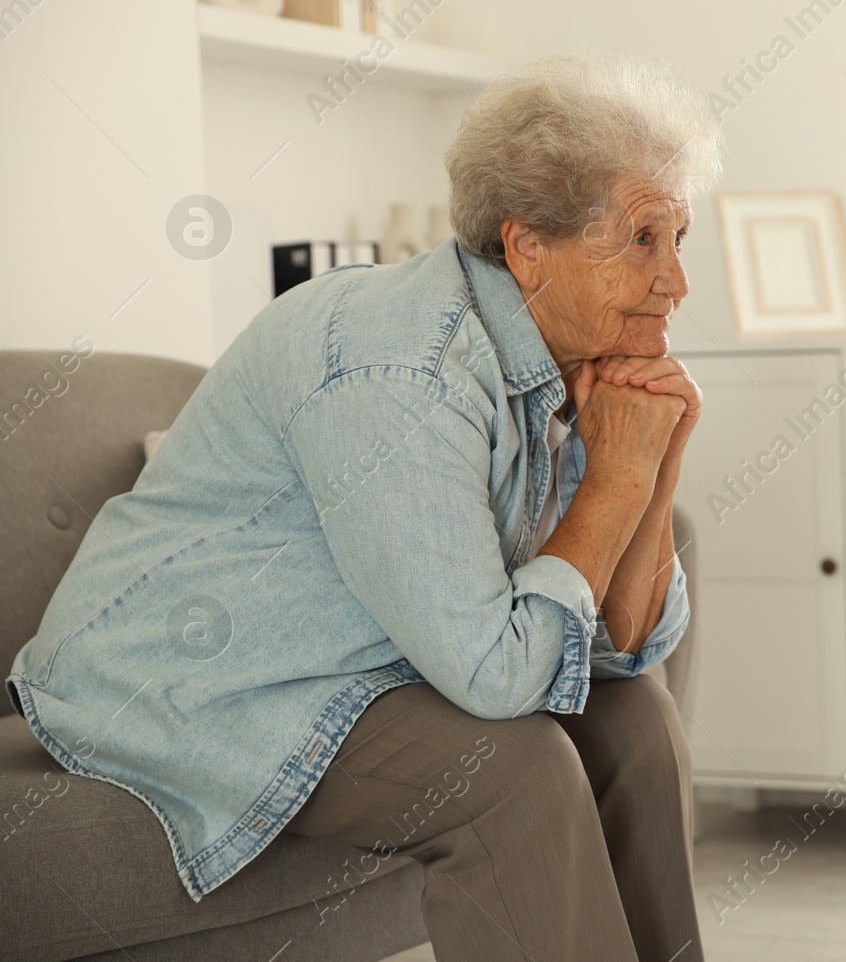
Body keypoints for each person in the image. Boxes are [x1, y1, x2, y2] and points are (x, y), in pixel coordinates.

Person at [7, 53, 722, 961]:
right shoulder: (401, 368)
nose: (677, 281)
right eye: (642, 238)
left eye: (679, 237)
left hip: (365, 659)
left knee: (638, 723)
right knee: (510, 769)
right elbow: (497, 679)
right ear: (527, 247)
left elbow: (623, 646)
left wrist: (656, 460)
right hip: (189, 681)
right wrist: (614, 482)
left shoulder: (566, 350)